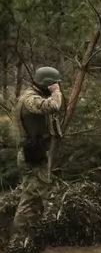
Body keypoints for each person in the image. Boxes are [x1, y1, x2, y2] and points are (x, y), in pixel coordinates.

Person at [10, 66, 64, 245]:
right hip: (32, 154)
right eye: (54, 83)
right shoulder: (30, 99)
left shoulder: (33, 95)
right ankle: (18, 242)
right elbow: (53, 105)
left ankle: (29, 239)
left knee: (37, 196)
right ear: (47, 83)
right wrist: (56, 92)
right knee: (31, 199)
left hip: (36, 152)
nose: (56, 85)